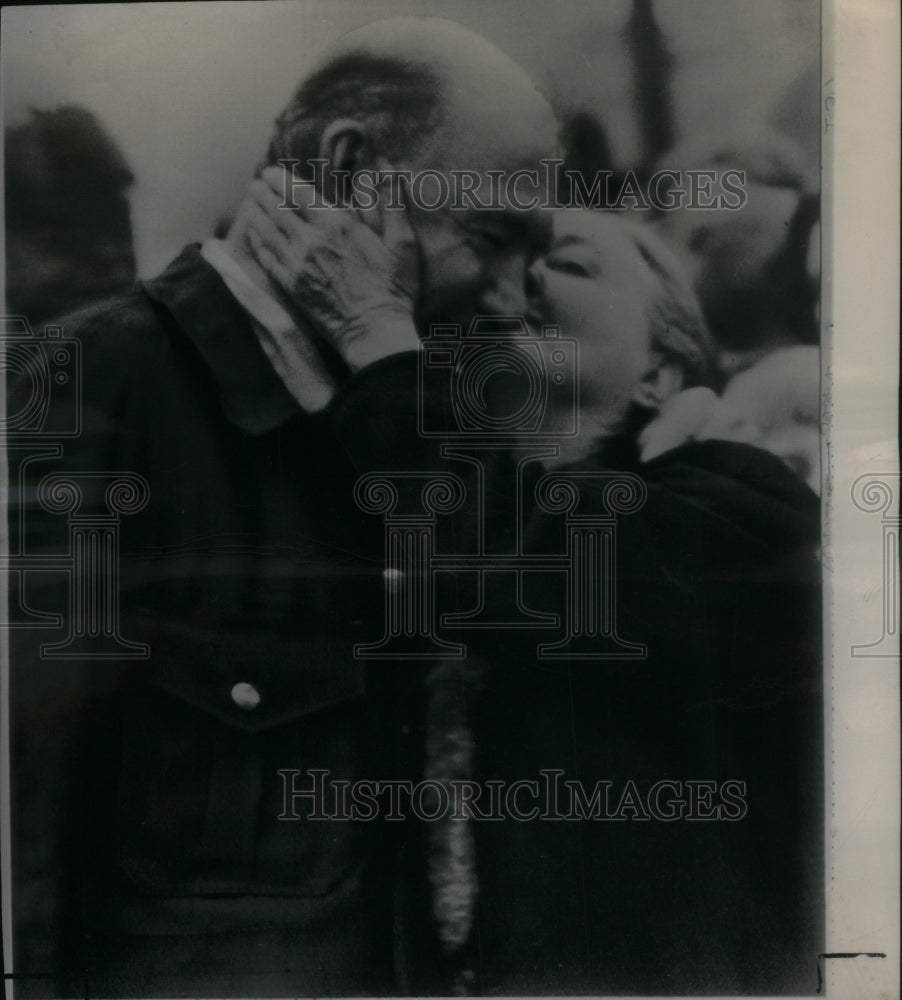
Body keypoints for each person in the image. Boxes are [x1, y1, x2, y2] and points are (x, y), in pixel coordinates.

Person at [7, 18, 558, 998]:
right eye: (490, 238)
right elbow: (28, 826)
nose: (513, 303)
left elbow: (513, 609)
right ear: (351, 167)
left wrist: (379, 343)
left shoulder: (425, 398)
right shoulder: (79, 386)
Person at [242, 191, 824, 995]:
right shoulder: (387, 517)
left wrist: (372, 336)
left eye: (572, 263)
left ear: (660, 370)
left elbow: (525, 549)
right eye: (503, 268)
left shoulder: (743, 506)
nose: (521, 283)